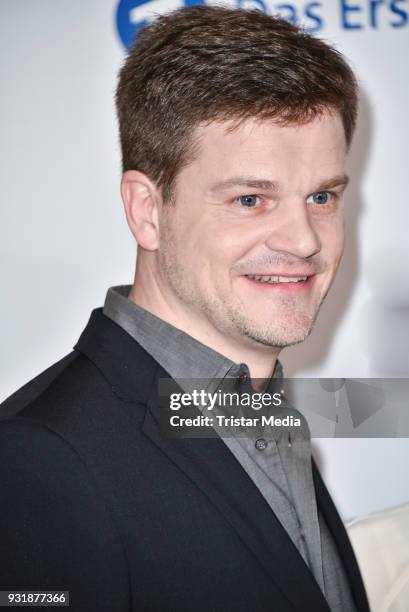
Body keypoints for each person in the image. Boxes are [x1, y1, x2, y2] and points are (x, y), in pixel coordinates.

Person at [0, 6, 369, 611]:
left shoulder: (264, 418)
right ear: (147, 210)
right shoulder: (39, 458)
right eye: (251, 198)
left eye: (321, 196)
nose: (304, 240)